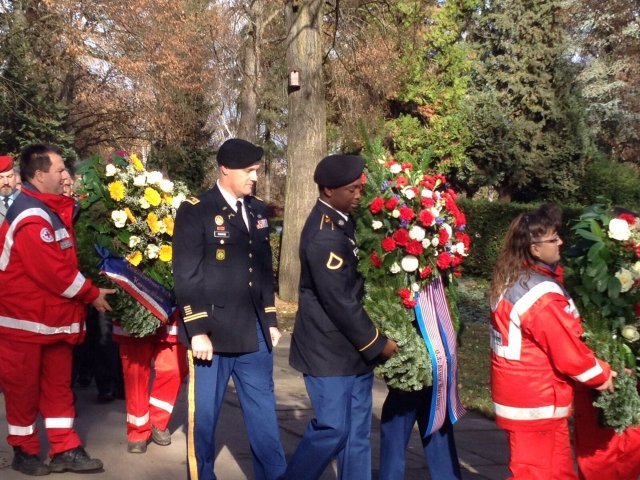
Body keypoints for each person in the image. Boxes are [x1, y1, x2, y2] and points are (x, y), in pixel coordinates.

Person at [172, 138, 286, 480]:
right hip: (213, 335)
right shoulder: (197, 210)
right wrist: (198, 331)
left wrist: (271, 321)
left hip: (253, 334)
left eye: (256, 171)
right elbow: (186, 275)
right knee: (204, 421)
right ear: (225, 169)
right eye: (249, 171)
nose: (255, 177)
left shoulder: (256, 210)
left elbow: (264, 272)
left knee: (265, 419)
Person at [0, 143, 115, 476]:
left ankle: (66, 448)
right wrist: (91, 294)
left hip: (51, 322)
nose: (67, 175)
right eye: (60, 170)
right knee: (23, 391)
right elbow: (54, 273)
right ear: (39, 175)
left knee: (57, 387)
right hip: (25, 323)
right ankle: (25, 451)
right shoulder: (32, 216)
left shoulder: (49, 210)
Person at [283, 154, 398, 480]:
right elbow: (339, 301)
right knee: (333, 429)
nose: (359, 195)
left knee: (357, 434)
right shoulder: (324, 234)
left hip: (351, 351)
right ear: (328, 190)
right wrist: (378, 343)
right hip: (328, 351)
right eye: (352, 190)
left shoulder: (343, 220)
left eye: (360, 188)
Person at [488, 204, 616, 480]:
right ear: (535, 248)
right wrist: (601, 375)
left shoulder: (516, 279)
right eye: (553, 238)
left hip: (525, 398)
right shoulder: (540, 294)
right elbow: (567, 351)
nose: (561, 242)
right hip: (537, 402)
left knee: (549, 471)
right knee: (543, 473)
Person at [113, 312, 187, 453]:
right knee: (135, 376)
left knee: (174, 370)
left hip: (170, 316)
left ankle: (157, 421)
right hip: (135, 314)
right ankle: (137, 431)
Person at [0, 155, 20, 223]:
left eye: (9, 176)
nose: (6, 182)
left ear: (15, 177)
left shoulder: (28, 200)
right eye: (1, 177)